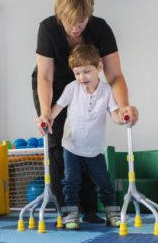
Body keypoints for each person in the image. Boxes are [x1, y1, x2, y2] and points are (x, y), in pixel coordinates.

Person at [31, 0, 138, 224]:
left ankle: (90, 210)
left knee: (87, 144)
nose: (76, 27)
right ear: (60, 15)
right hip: (54, 85)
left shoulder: (101, 29)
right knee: (59, 145)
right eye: (70, 21)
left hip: (90, 83)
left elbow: (115, 75)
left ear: (89, 14)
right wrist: (46, 112)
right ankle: (68, 210)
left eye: (82, 20)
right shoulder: (48, 29)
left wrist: (123, 108)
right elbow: (46, 77)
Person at [46, 44, 123, 229]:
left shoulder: (106, 90)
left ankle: (112, 213)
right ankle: (71, 214)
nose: (82, 77)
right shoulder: (72, 88)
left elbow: (113, 114)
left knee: (104, 182)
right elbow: (58, 107)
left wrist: (122, 119)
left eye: (87, 71)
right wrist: (47, 118)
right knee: (70, 181)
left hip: (94, 149)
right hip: (71, 145)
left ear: (99, 67)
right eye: (77, 73)